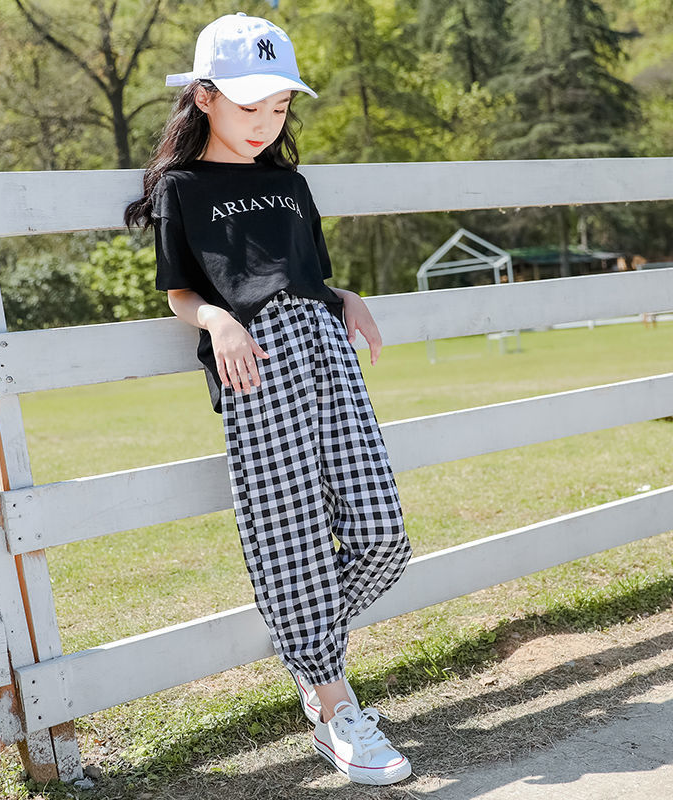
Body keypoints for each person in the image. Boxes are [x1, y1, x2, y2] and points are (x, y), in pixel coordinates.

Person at [124, 11, 413, 787]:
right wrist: (216, 320)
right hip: (254, 363)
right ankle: (332, 703)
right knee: (290, 537)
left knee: (384, 535)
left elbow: (306, 276)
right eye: (250, 105)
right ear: (205, 97)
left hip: (327, 352)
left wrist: (346, 296)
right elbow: (182, 293)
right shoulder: (182, 188)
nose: (266, 122)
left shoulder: (289, 184)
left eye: (280, 106)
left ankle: (305, 648)